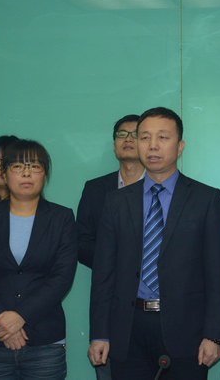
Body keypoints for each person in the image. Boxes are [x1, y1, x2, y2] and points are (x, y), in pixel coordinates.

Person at [89, 107, 220, 379]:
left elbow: (218, 275)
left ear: (180, 146)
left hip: (187, 330)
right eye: (144, 137)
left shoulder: (206, 199)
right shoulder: (116, 202)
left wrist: (214, 335)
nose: (152, 145)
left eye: (162, 137)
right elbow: (104, 275)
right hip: (128, 328)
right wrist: (99, 334)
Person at [0, 139, 77, 380]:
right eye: (17, 166)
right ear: (4, 175)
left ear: (45, 174)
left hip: (45, 342)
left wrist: (20, 316)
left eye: (35, 166)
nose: (27, 173)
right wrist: (2, 322)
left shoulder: (62, 218)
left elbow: (62, 277)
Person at [78, 114, 145, 379]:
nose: (128, 139)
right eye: (122, 134)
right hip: (110, 305)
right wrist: (118, 259)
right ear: (114, 143)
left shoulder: (163, 190)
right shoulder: (96, 189)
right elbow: (81, 242)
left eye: (136, 134)